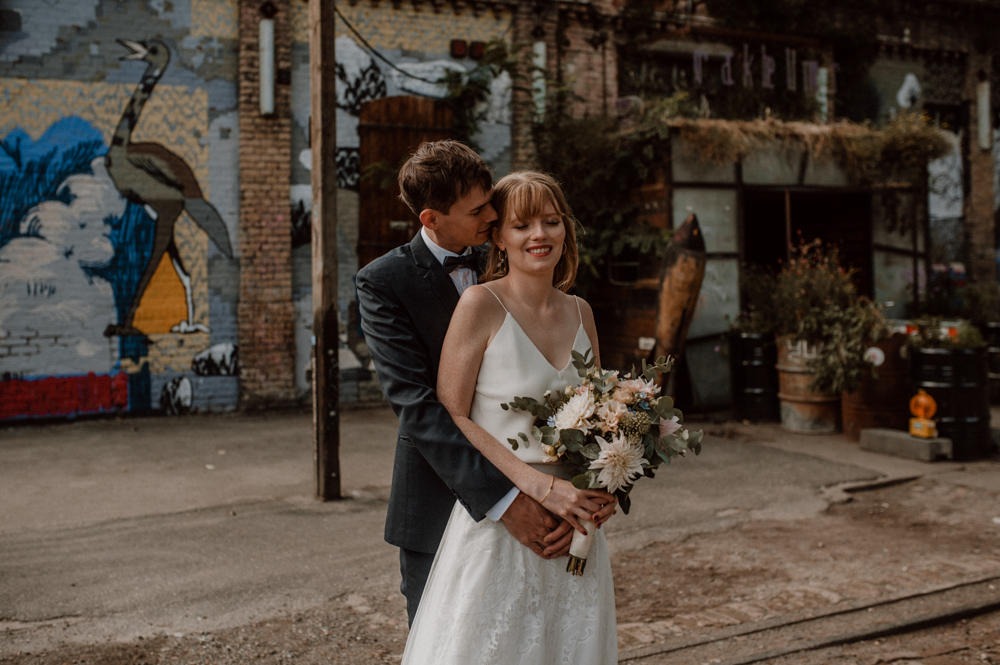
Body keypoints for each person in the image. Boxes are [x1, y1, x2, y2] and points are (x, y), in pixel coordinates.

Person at [356, 142, 577, 627]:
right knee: (443, 641)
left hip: (543, 491)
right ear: (431, 219)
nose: (493, 215)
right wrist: (506, 500)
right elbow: (417, 405)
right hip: (439, 497)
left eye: (490, 202)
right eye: (477, 211)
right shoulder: (384, 282)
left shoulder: (507, 252)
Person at [401, 171, 618, 664]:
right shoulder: (480, 304)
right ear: (498, 237)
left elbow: (604, 421)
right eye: (522, 225)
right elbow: (454, 414)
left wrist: (605, 491)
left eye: (551, 221)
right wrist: (536, 488)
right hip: (503, 521)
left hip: (575, 526)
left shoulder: (582, 311)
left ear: (566, 229)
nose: (540, 235)